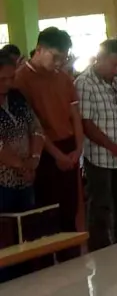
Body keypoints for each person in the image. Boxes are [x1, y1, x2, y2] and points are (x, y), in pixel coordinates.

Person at [14, 27, 84, 262]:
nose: (60, 62)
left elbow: (75, 114)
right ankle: (48, 266)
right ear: (40, 49)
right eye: (56, 57)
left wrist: (78, 148)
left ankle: (71, 261)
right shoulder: (21, 79)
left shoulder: (63, 77)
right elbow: (35, 127)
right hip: (44, 152)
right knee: (46, 213)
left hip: (69, 148)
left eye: (64, 58)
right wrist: (56, 155)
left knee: (70, 210)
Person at [76, 40, 117, 251]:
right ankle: (101, 252)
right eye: (114, 64)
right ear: (99, 59)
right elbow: (86, 123)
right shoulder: (84, 83)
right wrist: (114, 147)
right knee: (101, 207)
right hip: (100, 156)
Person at [0, 52, 45, 281]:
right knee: (4, 237)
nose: (7, 84)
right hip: (3, 182)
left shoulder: (16, 97)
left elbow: (36, 128)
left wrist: (35, 158)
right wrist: (22, 165)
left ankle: (26, 280)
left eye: (10, 78)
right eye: (2, 79)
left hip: (25, 178)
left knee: (26, 233)